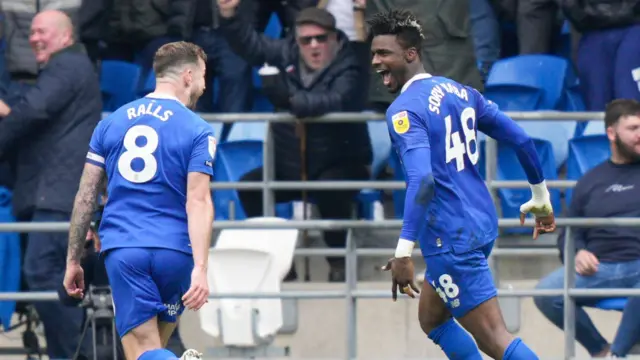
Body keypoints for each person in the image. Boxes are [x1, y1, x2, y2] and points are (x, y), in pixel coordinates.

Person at [368, 9, 557, 359]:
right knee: (432, 319)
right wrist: (540, 198)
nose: (376, 61)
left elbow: (422, 179)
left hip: (451, 238)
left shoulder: (403, 110)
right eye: (374, 54)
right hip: (480, 225)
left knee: (494, 339)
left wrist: (403, 253)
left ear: (410, 54)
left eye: (384, 53)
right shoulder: (461, 91)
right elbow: (521, 140)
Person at [63, 41, 216, 360]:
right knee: (151, 351)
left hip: (127, 249)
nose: (204, 85)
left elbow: (86, 196)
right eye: (203, 76)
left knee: (142, 352)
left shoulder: (111, 123)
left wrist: (74, 260)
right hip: (176, 252)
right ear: (188, 76)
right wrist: (201, 268)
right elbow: (198, 202)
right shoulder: (198, 130)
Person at [534, 99, 640, 358]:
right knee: (546, 294)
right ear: (611, 134)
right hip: (600, 268)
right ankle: (601, 350)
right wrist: (578, 252)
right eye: (634, 128)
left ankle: (618, 354)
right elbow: (570, 231)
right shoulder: (590, 181)